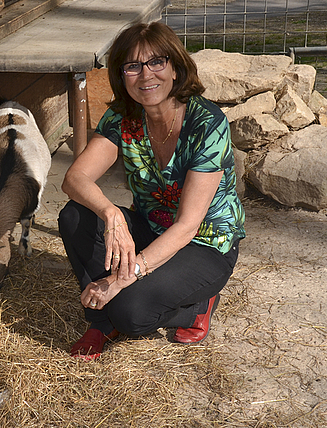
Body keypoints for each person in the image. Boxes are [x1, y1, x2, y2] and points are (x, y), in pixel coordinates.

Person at [58, 21, 246, 361]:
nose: (146, 76)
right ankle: (101, 322)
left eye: (156, 62)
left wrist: (123, 277)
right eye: (133, 66)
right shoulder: (122, 117)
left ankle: (196, 307)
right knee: (74, 215)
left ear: (175, 68)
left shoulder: (207, 124)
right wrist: (112, 215)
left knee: (133, 314)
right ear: (121, 75)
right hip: (150, 228)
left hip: (204, 244)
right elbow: (74, 179)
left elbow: (187, 226)